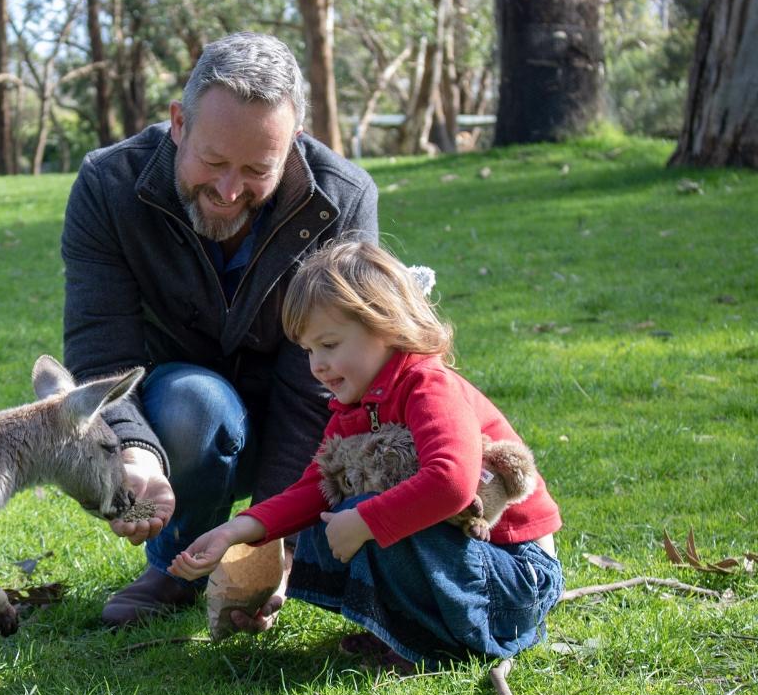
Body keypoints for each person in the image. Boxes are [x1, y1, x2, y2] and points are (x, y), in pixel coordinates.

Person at [60, 32, 379, 627]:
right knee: (196, 404)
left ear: (295, 144)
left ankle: (269, 562)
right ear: (179, 122)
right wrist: (134, 449)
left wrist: (269, 536)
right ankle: (176, 563)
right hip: (180, 411)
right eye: (212, 162)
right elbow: (100, 347)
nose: (230, 191)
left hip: (301, 416)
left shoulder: (342, 199)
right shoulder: (108, 186)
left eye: (257, 169)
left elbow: (322, 381)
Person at [169, 241, 564, 668]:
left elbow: (452, 484)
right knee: (326, 520)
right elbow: (315, 489)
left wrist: (364, 521)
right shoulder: (356, 406)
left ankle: (439, 639)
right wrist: (234, 532)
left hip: (515, 576)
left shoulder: (427, 385)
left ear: (386, 327)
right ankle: (409, 630)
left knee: (360, 513)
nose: (317, 365)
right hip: (470, 566)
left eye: (330, 344)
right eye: (308, 351)